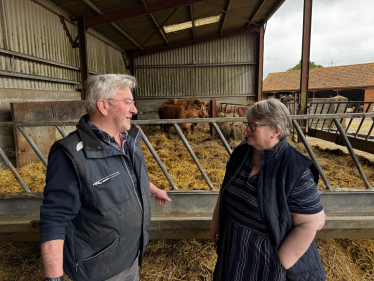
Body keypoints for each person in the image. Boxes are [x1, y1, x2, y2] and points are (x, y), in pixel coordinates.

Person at [39, 74, 171, 281]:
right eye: (128, 102)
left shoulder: (129, 140)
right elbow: (54, 219)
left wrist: (152, 189)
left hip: (131, 255)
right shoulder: (71, 155)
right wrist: (54, 279)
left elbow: (128, 175)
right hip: (98, 269)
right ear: (103, 106)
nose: (134, 110)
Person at [210, 99, 326, 281]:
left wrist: (280, 261)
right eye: (247, 124)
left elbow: (314, 222)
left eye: (253, 125)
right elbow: (225, 189)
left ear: (276, 130)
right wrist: (216, 221)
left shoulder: (294, 169)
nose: (246, 129)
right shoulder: (241, 153)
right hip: (233, 250)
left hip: (266, 262)